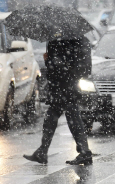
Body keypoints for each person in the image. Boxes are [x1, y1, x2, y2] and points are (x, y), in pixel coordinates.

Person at [24, 37, 93, 165]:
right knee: (55, 116)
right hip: (64, 85)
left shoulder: (66, 39)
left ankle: (84, 152)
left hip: (64, 85)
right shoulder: (77, 39)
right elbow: (81, 67)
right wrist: (50, 60)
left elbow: (62, 65)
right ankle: (43, 151)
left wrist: (50, 60)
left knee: (69, 117)